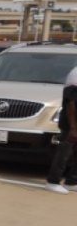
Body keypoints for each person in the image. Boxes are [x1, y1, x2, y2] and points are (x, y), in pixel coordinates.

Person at [46, 66, 77, 194]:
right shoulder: (75, 75)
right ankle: (53, 181)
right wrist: (73, 127)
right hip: (72, 121)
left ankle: (72, 181)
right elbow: (71, 104)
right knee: (64, 152)